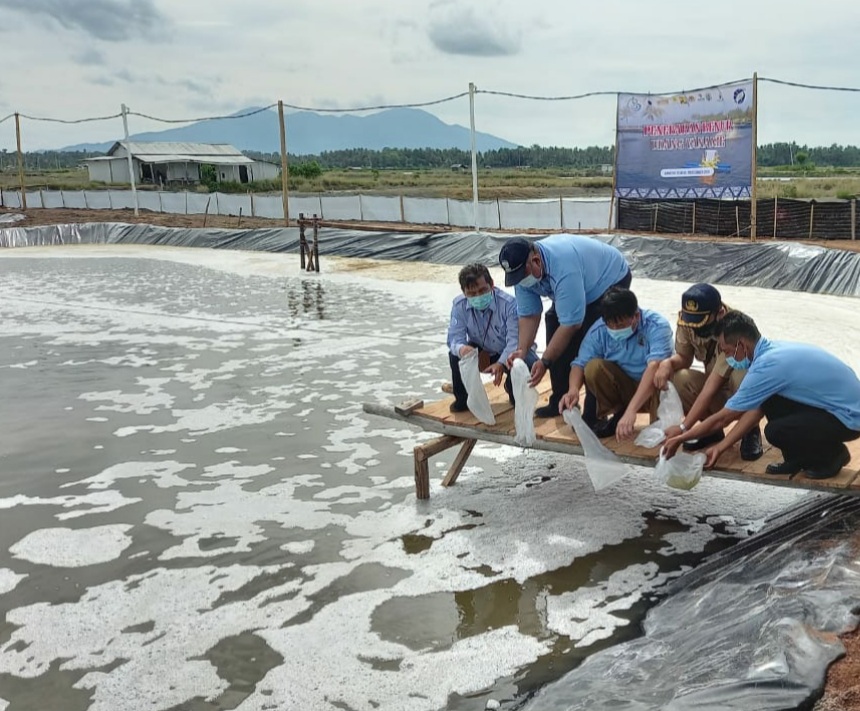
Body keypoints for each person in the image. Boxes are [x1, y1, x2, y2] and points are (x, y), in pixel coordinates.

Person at [663, 312, 860, 480]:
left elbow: (723, 418)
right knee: (772, 402)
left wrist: (682, 437)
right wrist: (721, 447)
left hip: (850, 418)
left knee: (775, 431)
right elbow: (756, 411)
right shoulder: (772, 351)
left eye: (727, 351)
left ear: (742, 345)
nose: (727, 357)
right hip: (838, 408)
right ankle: (797, 459)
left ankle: (833, 455)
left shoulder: (767, 366)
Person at [499, 235, 632, 420]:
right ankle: (560, 400)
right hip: (578, 283)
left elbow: (571, 324)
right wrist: (522, 350)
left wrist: (545, 361)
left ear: (536, 260)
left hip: (608, 278)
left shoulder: (563, 268)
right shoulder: (522, 275)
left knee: (593, 338)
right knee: (552, 321)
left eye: (523, 276)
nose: (521, 281)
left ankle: (595, 412)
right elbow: (529, 315)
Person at [653, 283, 763, 461]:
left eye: (702, 325)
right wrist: (667, 363)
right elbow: (684, 357)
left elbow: (711, 386)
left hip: (738, 392)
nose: (696, 329)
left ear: (719, 314)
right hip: (715, 388)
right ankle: (711, 430)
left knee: (742, 376)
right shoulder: (688, 321)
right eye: (692, 323)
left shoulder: (734, 327)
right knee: (680, 378)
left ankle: (749, 429)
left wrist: (683, 429)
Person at [559, 287, 673, 440]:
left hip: (653, 388)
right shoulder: (599, 331)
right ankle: (616, 413)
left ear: (636, 316)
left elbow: (654, 366)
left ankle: (642, 415)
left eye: (620, 326)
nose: (614, 329)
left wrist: (631, 411)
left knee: (660, 436)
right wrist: (573, 390)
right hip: (623, 386)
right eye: (610, 325)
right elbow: (579, 363)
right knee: (593, 367)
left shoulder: (657, 326)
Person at [446, 263, 538, 412]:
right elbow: (454, 338)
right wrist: (462, 349)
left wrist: (501, 364)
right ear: (464, 292)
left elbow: (514, 341)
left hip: (510, 353)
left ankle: (510, 386)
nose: (478, 296)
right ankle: (462, 400)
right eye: (472, 293)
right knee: (455, 355)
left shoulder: (509, 304)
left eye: (483, 290)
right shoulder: (459, 306)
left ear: (492, 285)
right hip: (484, 352)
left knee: (525, 365)